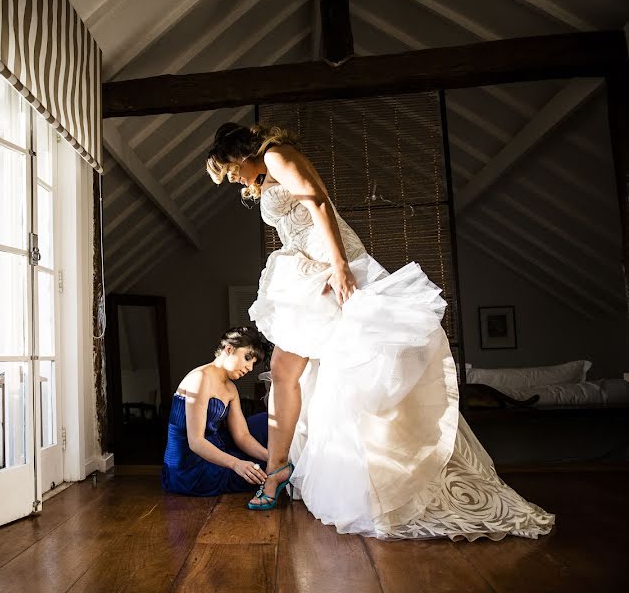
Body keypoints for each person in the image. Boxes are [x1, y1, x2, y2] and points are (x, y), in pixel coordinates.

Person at [204, 123, 554, 540]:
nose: (234, 179)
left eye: (230, 169)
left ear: (241, 152)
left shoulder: (277, 155)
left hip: (332, 267)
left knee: (329, 371)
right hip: (309, 267)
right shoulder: (267, 172)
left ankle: (290, 472)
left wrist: (339, 267)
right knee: (294, 371)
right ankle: (284, 468)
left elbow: (319, 205)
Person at [161, 326, 274, 496]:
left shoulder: (230, 389)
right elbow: (196, 442)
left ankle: (274, 463)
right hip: (190, 465)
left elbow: (242, 436)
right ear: (229, 349)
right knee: (260, 473)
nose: (250, 368)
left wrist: (273, 459)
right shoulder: (200, 378)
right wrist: (237, 464)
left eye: (254, 363)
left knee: (267, 422)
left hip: (216, 445)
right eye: (248, 357)